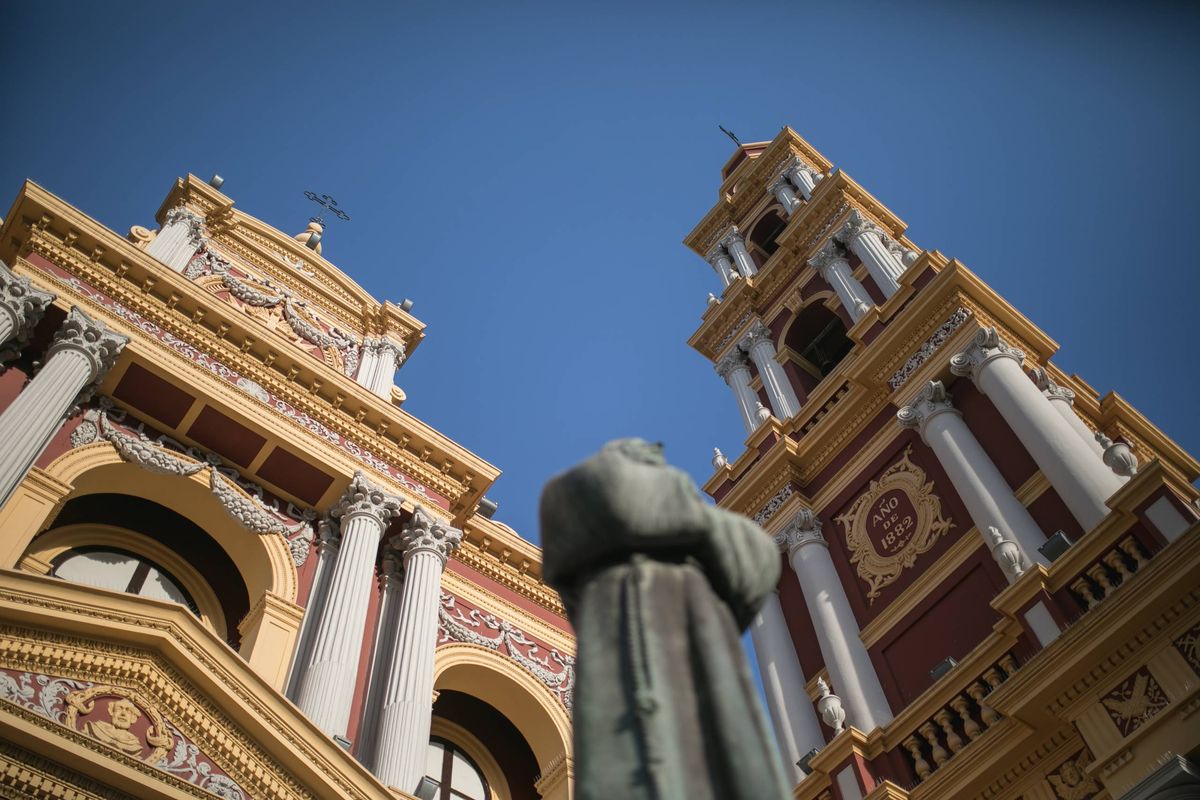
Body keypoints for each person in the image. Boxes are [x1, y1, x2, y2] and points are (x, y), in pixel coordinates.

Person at [540, 439, 790, 800]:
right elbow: (615, 506)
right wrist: (698, 526)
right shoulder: (571, 494)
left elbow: (762, 561)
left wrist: (678, 519)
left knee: (721, 755)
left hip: (694, 640)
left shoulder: (693, 584)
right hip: (619, 641)